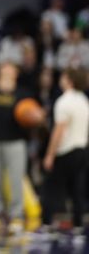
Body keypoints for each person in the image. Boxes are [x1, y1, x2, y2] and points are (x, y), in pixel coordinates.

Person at [0, 63, 36, 238]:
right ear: (0, 70)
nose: (8, 70)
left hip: (16, 142)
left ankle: (16, 217)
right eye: (5, 67)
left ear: (16, 73)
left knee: (16, 179)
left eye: (12, 68)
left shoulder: (23, 93)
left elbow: (35, 115)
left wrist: (35, 118)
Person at [41, 68, 89, 236]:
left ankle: (47, 223)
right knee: (78, 188)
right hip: (82, 149)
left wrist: (50, 154)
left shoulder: (64, 101)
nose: (60, 79)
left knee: (52, 187)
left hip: (65, 150)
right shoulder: (84, 100)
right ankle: (78, 224)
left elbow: (59, 130)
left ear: (69, 80)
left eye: (63, 76)